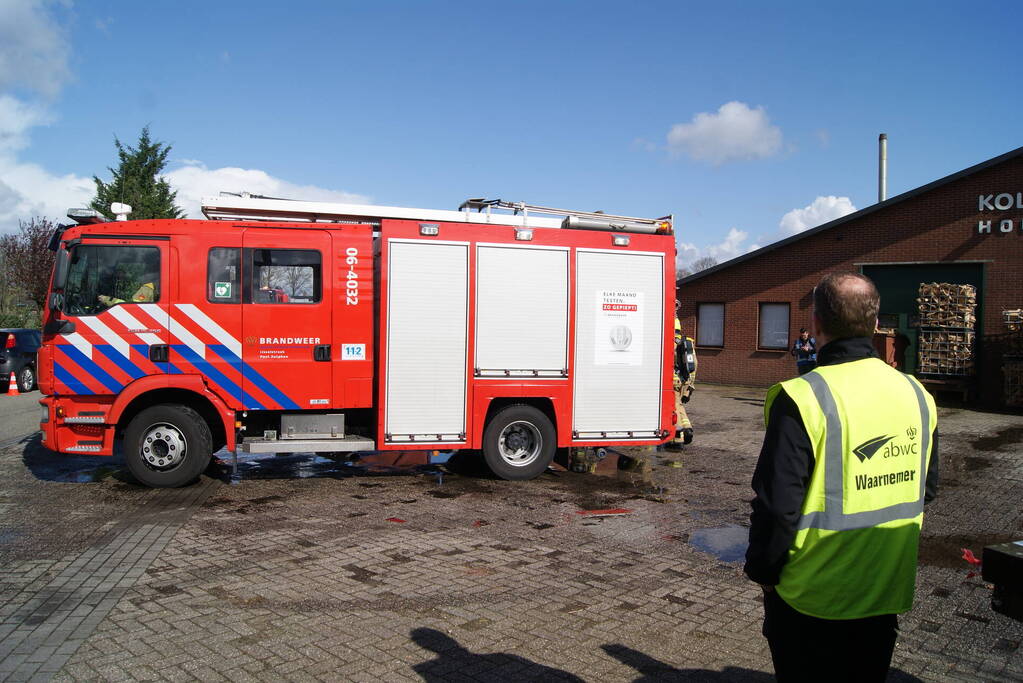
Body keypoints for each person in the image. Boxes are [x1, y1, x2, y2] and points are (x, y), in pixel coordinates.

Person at [744, 272, 938, 682]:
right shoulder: (917, 393)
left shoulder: (802, 396)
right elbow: (928, 488)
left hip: (811, 596)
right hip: (884, 590)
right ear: (874, 322)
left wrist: (763, 574)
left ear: (815, 323)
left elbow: (778, 507)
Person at [666, 310, 695, 451]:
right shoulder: (686, 342)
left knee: (672, 408)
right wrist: (689, 388)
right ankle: (687, 427)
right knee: (679, 406)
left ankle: (677, 439)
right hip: (682, 381)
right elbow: (693, 365)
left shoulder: (666, 341)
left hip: (669, 380)